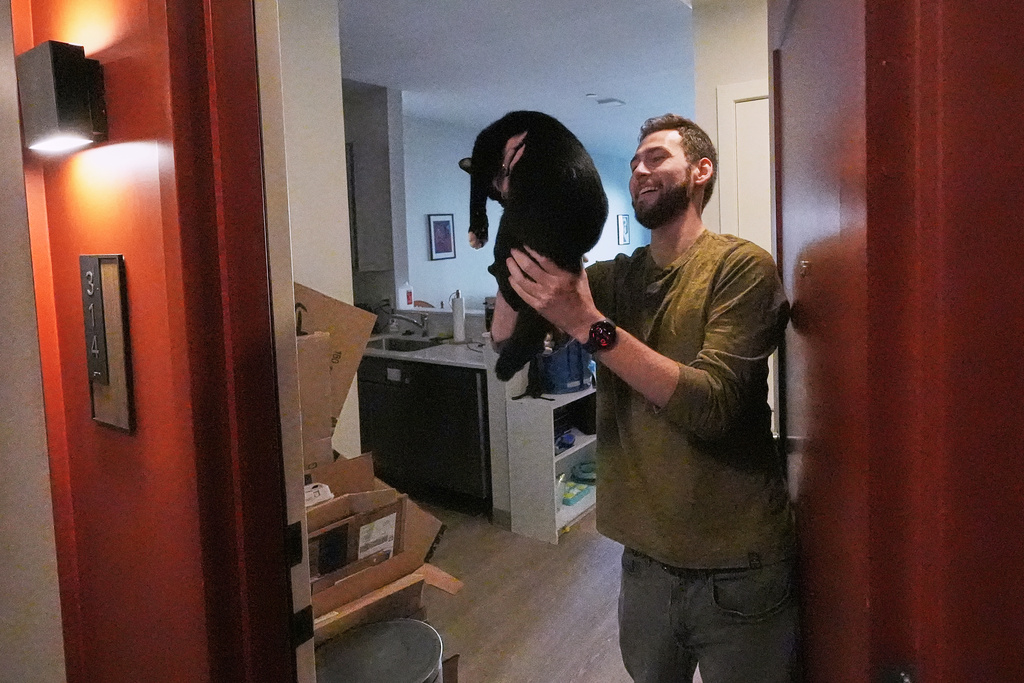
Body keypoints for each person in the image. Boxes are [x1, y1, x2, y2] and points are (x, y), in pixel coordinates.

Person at [490, 114, 798, 683]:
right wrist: (521, 212)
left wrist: (588, 324)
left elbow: (713, 406)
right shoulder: (612, 278)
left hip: (737, 568)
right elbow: (506, 342)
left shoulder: (741, 268)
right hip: (643, 566)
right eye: (634, 162)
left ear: (701, 172)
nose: (639, 170)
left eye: (656, 157)